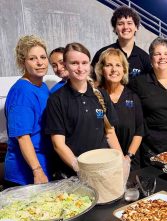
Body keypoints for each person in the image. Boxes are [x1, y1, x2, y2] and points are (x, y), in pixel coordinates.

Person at [45, 42, 122, 178]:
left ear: (90, 65)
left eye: (84, 63)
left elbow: (110, 133)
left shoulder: (101, 95)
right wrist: (81, 169)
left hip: (104, 169)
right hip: (74, 173)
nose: (80, 68)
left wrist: (120, 162)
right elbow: (58, 144)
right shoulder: (57, 100)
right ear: (66, 65)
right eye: (74, 63)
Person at [4, 35, 52, 186]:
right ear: (22, 62)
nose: (39, 62)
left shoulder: (42, 86)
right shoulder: (23, 92)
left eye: (43, 57)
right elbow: (22, 137)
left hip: (43, 165)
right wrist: (37, 171)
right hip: (25, 174)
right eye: (32, 58)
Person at [94, 48, 144, 169]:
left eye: (118, 65)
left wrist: (128, 157)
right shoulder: (95, 96)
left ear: (124, 70)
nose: (114, 69)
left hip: (130, 161)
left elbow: (139, 130)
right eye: (108, 65)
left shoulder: (132, 96)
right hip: (105, 162)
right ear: (101, 69)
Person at [91, 6, 151, 79]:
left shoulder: (145, 58)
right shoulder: (102, 53)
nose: (125, 27)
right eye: (120, 24)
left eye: (129, 23)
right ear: (115, 29)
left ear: (136, 27)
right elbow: (92, 80)